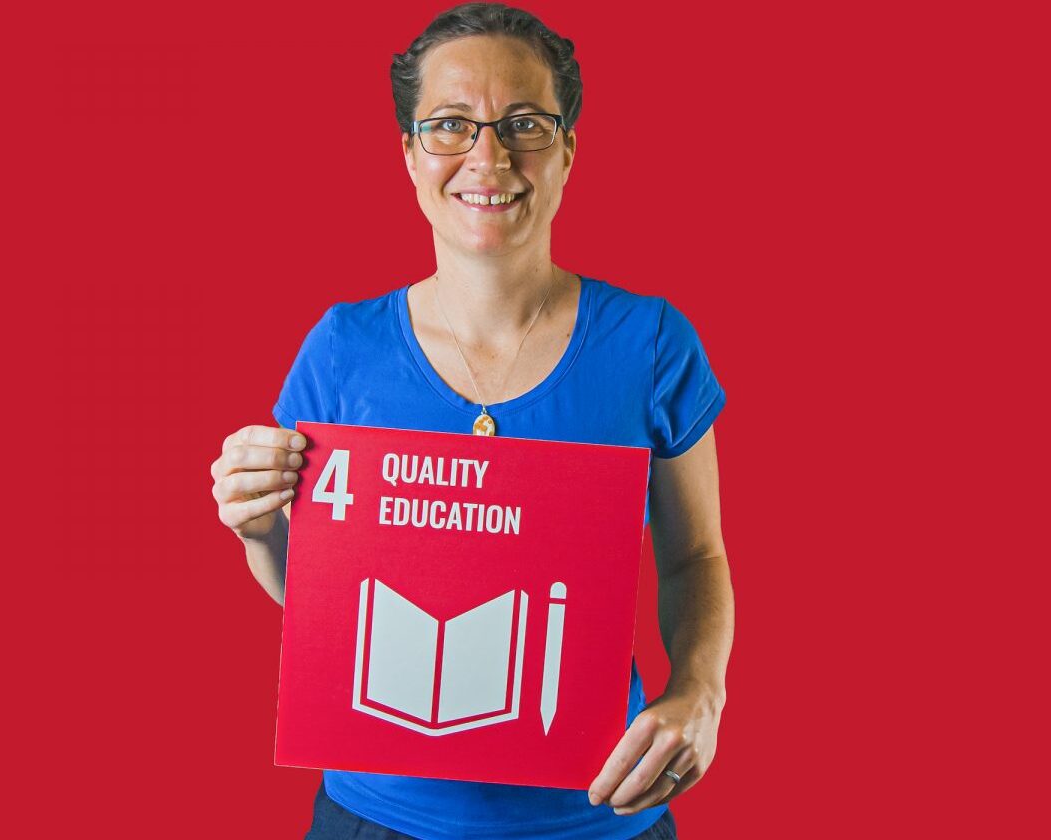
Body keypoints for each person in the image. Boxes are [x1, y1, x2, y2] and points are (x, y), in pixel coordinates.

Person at [209, 4, 733, 838]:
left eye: (524, 123)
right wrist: (254, 526)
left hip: (599, 816)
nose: (487, 157)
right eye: (450, 125)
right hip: (375, 815)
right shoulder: (342, 346)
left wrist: (699, 691)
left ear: (566, 149)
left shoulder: (651, 342)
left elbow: (696, 556)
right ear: (410, 154)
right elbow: (321, 598)